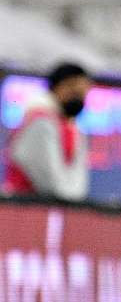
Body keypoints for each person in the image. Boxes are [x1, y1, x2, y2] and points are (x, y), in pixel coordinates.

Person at [3, 62, 92, 201]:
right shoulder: (40, 122)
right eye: (71, 88)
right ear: (55, 88)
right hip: (23, 211)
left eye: (82, 91)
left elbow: (78, 183)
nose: (77, 97)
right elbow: (51, 183)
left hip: (55, 212)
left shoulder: (73, 128)